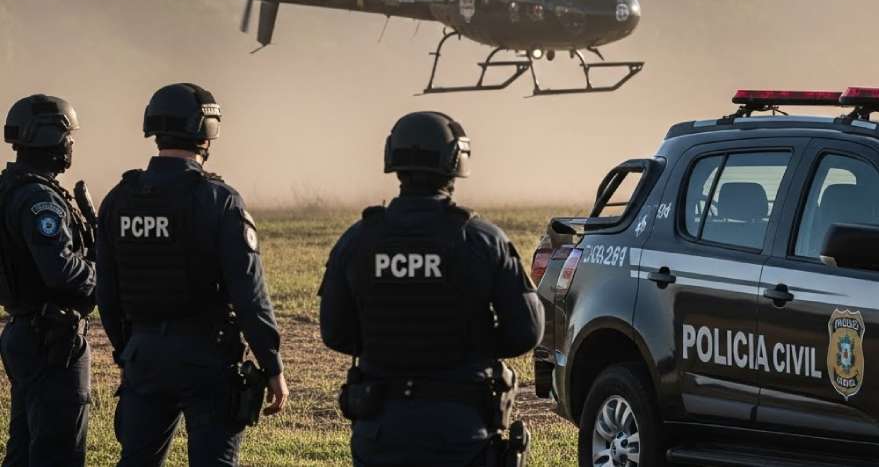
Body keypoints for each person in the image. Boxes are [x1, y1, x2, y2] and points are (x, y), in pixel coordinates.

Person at [320, 111, 545, 467]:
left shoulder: (359, 239)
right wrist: (474, 344)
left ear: (393, 160)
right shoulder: (482, 240)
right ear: (456, 161)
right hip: (460, 430)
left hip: (381, 429)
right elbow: (526, 332)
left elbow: (334, 332)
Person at [95, 83, 289, 467]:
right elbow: (249, 294)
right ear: (207, 131)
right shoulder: (219, 199)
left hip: (144, 353)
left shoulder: (119, 198)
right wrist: (272, 364)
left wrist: (128, 352)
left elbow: (108, 292)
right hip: (208, 356)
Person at [0, 94, 95, 467]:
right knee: (59, 453)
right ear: (49, 137)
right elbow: (59, 270)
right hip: (52, 338)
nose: (71, 145)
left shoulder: (10, 188)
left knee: (22, 450)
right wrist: (101, 275)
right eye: (67, 136)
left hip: (25, 330)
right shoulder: (40, 200)